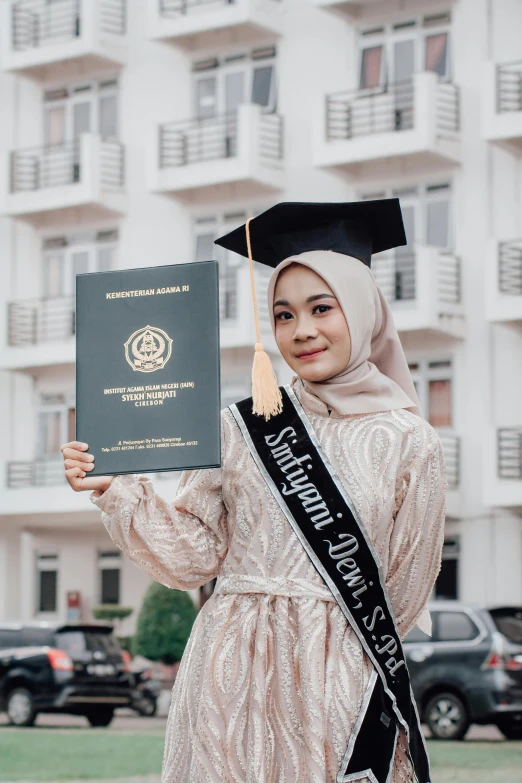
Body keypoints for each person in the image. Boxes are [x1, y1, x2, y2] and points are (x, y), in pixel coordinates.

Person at [61, 199, 446, 783]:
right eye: (284, 315)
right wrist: (117, 488)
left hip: (334, 678)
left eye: (323, 308)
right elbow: (193, 557)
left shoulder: (409, 441)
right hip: (228, 674)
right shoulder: (240, 427)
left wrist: (334, 658)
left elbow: (403, 591)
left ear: (364, 309)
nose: (303, 331)